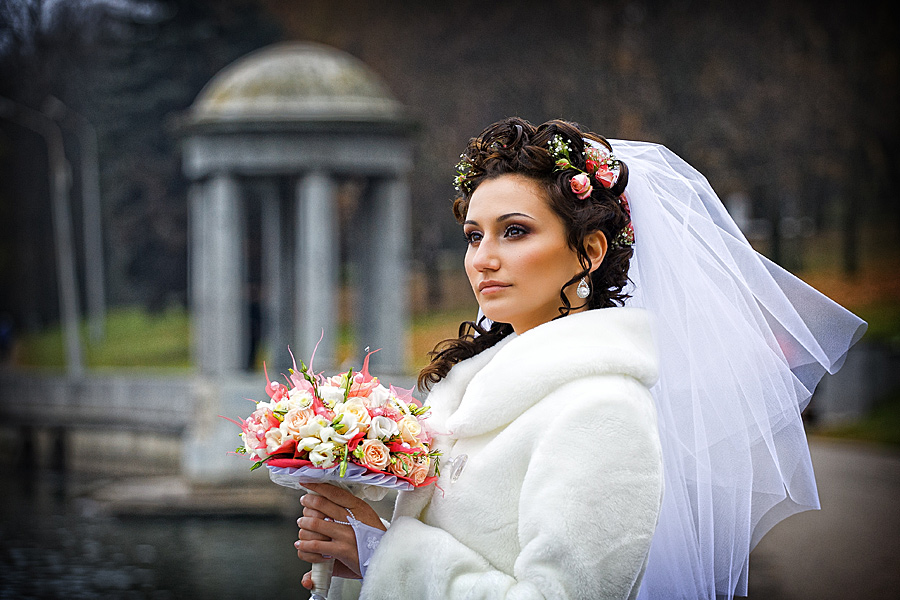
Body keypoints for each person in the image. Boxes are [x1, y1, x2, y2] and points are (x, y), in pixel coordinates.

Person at [294, 117, 866, 600]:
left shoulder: (602, 410)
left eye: (514, 232)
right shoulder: (466, 395)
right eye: (473, 236)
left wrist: (382, 556)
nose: (483, 258)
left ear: (588, 251)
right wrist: (355, 557)